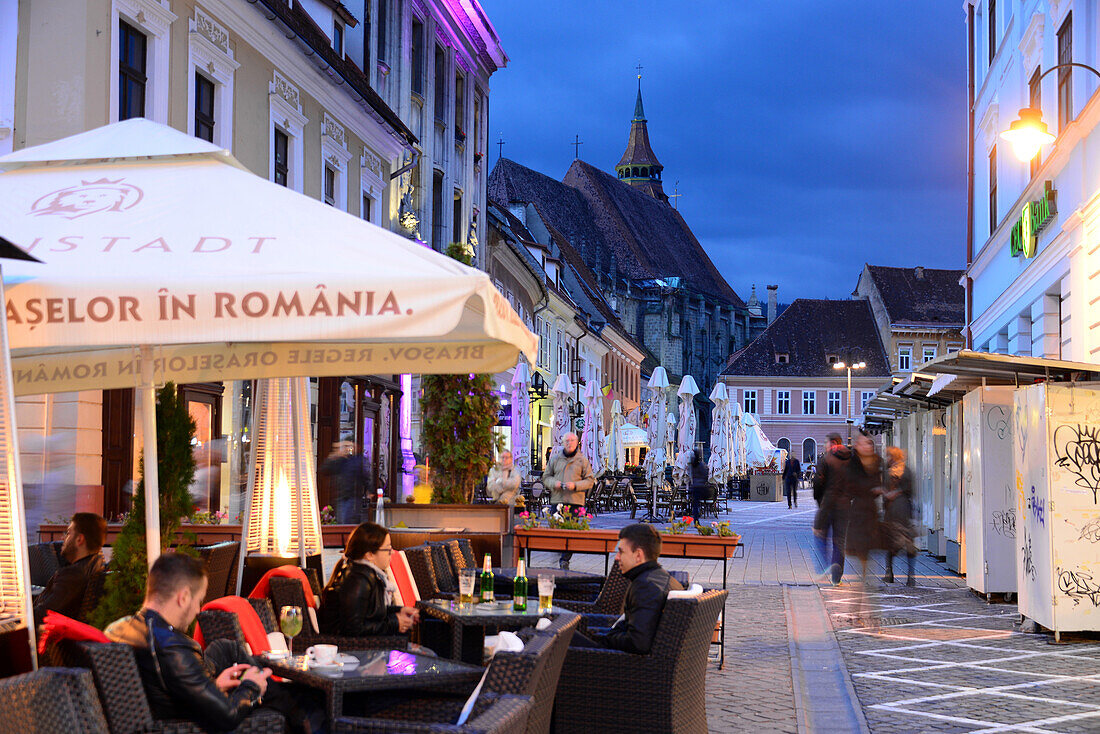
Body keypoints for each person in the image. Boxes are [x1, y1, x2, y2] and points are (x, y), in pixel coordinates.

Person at [105, 553, 319, 733]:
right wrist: (251, 687)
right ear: (183, 597)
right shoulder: (172, 646)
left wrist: (214, 685)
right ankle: (304, 717)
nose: (199, 610)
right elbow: (227, 716)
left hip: (175, 711)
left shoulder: (118, 628)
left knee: (234, 652)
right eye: (199, 601)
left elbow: (166, 686)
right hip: (187, 725)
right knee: (295, 700)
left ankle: (299, 709)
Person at [570, 524, 681, 653]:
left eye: (621, 551)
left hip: (614, 663)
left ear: (638, 555)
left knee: (555, 633)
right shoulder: (664, 579)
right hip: (632, 662)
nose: (617, 557)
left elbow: (638, 643)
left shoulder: (645, 587)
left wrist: (609, 636)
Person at [320, 521, 419, 636]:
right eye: (387, 549)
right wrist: (395, 623)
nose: (391, 553)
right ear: (369, 555)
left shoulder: (363, 573)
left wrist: (399, 610)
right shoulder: (357, 580)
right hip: (349, 648)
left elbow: (369, 611)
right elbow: (354, 629)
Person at [34, 512, 107, 624]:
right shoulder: (97, 563)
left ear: (79, 539)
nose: (63, 538)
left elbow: (43, 614)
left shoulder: (72, 575)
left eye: (68, 533)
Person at [541, 432, 595, 568]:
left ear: (576, 443)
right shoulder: (555, 459)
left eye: (571, 440)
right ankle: (558, 555)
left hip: (574, 501)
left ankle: (565, 559)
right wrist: (555, 483)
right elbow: (546, 477)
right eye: (566, 441)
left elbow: (590, 481)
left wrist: (575, 485)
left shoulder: (582, 460)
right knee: (556, 529)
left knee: (571, 531)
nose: (569, 443)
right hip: (557, 499)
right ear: (563, 443)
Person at [845, 431, 884, 592]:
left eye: (869, 443)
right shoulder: (852, 464)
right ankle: (864, 577)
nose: (867, 446)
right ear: (856, 446)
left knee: (869, 548)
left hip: (872, 512)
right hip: (858, 512)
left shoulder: (877, 462)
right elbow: (850, 487)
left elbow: (880, 483)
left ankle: (867, 577)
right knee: (861, 548)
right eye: (864, 443)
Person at [812, 434, 852, 586]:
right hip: (844, 506)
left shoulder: (826, 459)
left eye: (825, 443)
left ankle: (826, 564)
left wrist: (819, 500)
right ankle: (837, 576)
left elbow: (817, 482)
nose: (824, 446)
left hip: (828, 504)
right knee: (839, 541)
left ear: (833, 443)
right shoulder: (851, 460)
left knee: (819, 534)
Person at [882, 446, 917, 586]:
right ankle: (910, 575)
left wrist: (889, 497)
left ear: (894, 457)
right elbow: (911, 491)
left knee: (890, 542)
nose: (887, 459)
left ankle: (889, 573)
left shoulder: (888, 473)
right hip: (904, 510)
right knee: (908, 541)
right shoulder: (906, 471)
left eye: (889, 456)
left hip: (893, 511)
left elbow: (885, 492)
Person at [320, 436, 371, 524]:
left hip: (353, 497)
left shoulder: (359, 460)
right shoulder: (340, 460)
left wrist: (369, 490)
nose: (348, 449)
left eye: (350, 446)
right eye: (345, 446)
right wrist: (334, 455)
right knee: (341, 522)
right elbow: (325, 470)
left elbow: (366, 476)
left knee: (348, 522)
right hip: (341, 497)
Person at [688, 449, 709, 522]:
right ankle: (697, 518)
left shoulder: (692, 464)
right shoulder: (701, 465)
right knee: (698, 503)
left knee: (695, 504)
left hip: (694, 486)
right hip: (700, 486)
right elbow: (705, 474)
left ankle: (695, 518)